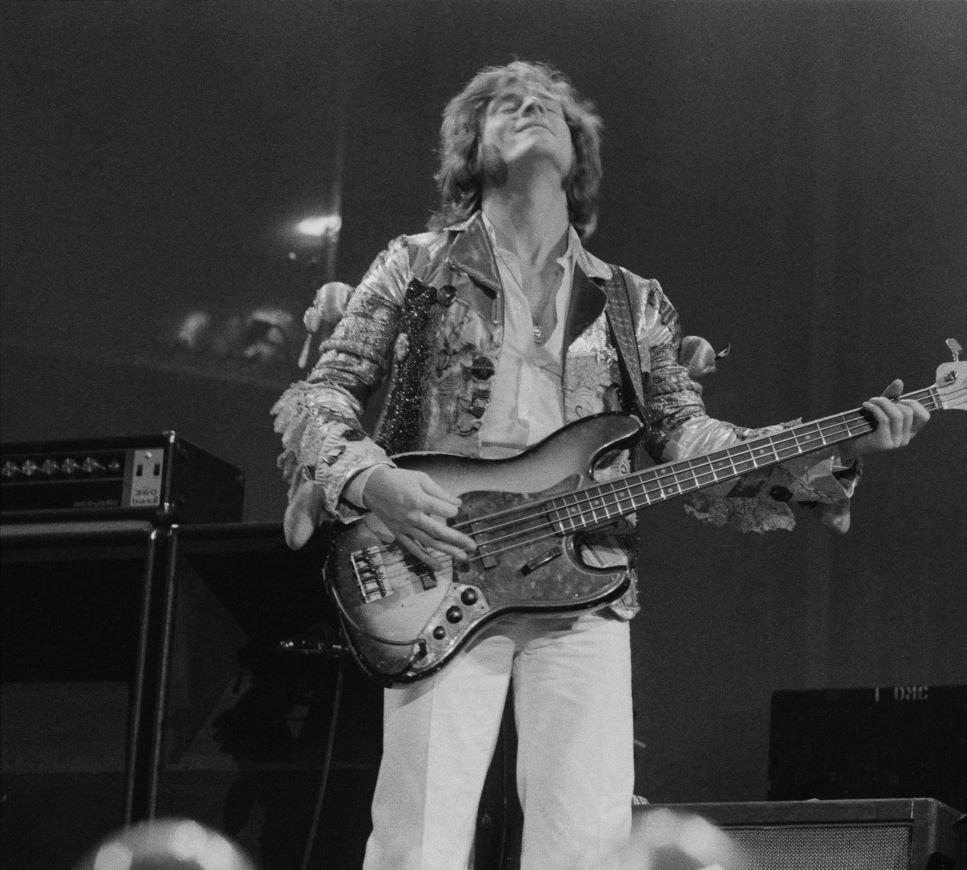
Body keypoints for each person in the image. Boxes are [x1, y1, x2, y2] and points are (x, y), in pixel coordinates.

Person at [271, 60, 929, 870]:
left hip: (584, 580)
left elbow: (690, 439)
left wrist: (838, 443)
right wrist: (376, 483)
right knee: (418, 840)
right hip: (432, 559)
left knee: (587, 843)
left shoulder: (631, 300)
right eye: (506, 104)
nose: (528, 107)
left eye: (546, 103)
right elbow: (320, 394)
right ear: (470, 149)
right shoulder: (413, 265)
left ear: (577, 154)